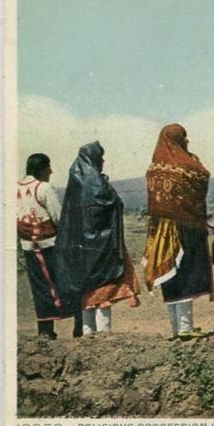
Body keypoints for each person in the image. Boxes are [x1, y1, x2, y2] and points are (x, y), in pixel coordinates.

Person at [54, 142, 141, 336]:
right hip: (101, 245)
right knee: (103, 292)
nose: (103, 161)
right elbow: (111, 203)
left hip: (81, 249)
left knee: (87, 296)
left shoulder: (75, 181)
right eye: (100, 158)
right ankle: (103, 336)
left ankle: (88, 335)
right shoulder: (96, 182)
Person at [143, 123, 214, 339]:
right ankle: (184, 328)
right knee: (185, 274)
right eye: (184, 137)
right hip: (186, 229)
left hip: (160, 231)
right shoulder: (189, 165)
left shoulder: (153, 168)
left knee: (169, 274)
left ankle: (177, 328)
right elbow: (202, 177)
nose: (187, 141)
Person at [17, 153, 82, 339]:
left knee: (40, 288)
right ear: (41, 169)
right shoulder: (43, 188)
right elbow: (59, 217)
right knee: (69, 283)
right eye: (48, 167)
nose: (51, 171)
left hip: (29, 247)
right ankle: (79, 328)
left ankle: (45, 332)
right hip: (51, 246)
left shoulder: (15, 189)